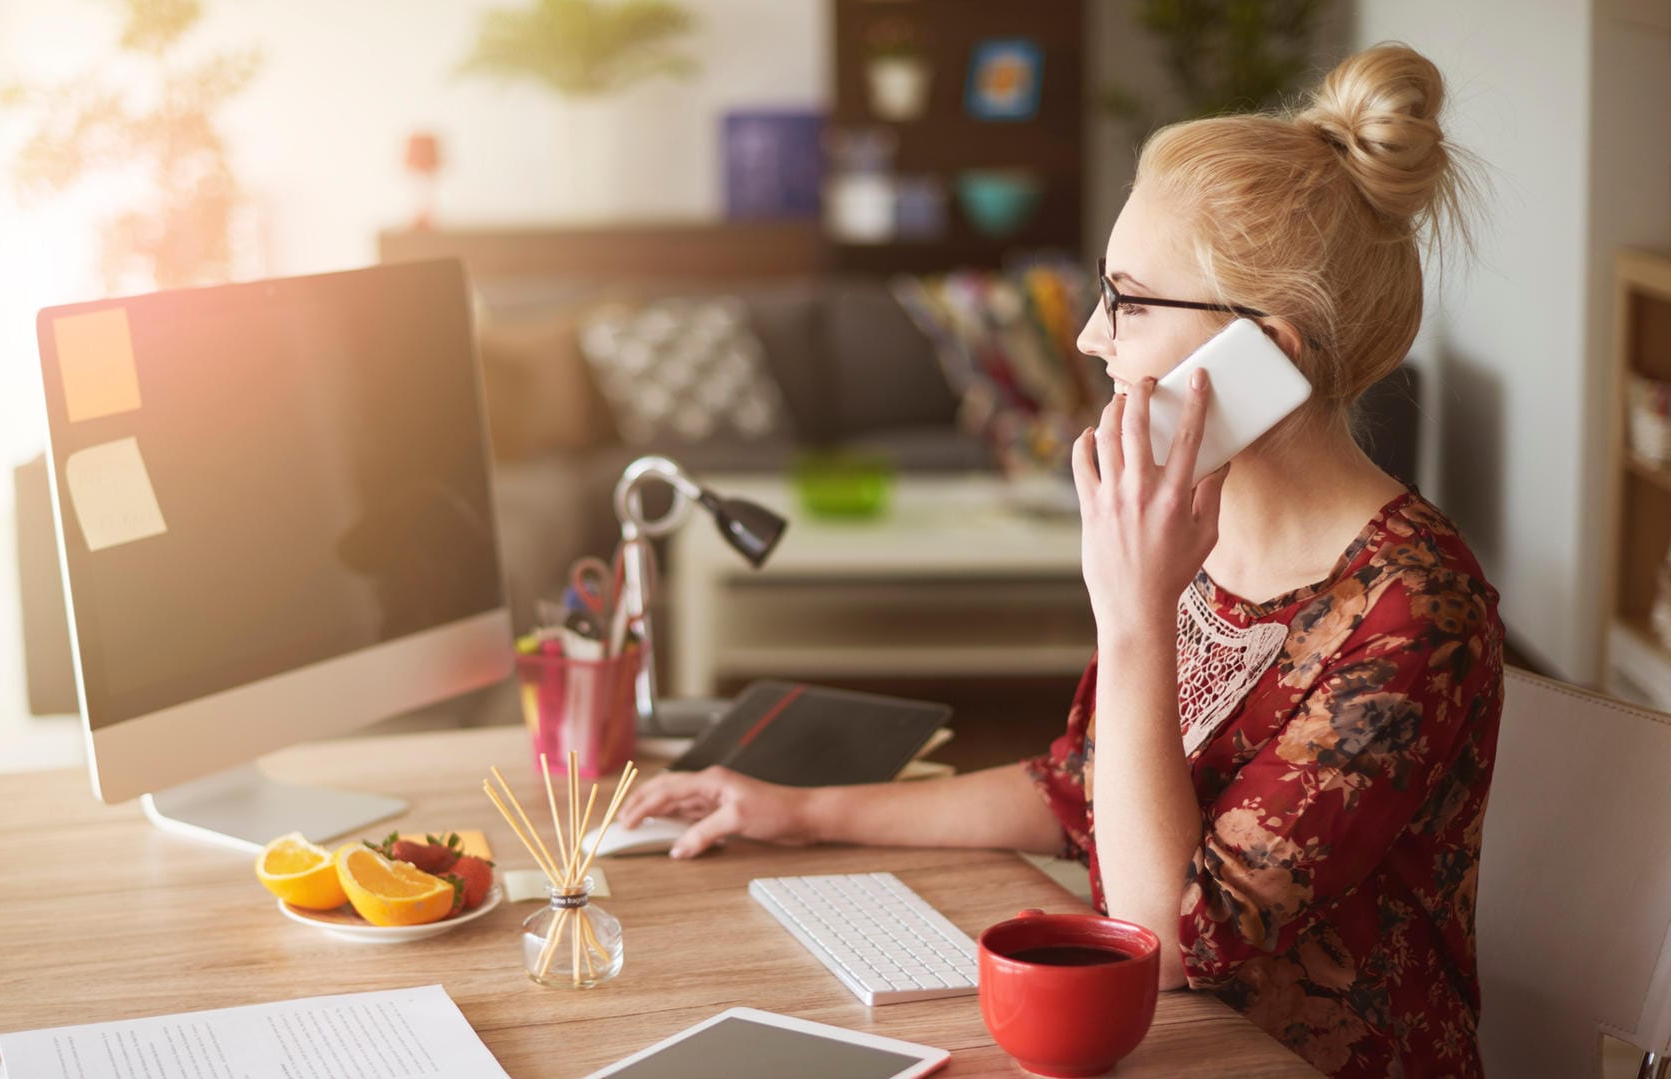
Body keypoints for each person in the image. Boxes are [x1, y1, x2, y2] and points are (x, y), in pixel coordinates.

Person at [619, 42, 1502, 1079]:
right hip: (1161, 1045)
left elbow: (1171, 935)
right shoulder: (1192, 525)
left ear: (1268, 351)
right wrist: (798, 809)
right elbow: (1078, 787)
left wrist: (1132, 613)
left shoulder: (1414, 609)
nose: (1089, 337)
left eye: (1129, 300)